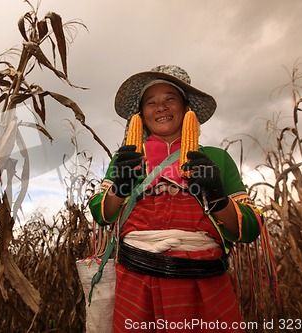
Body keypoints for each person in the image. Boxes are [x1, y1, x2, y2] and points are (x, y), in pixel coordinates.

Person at [89, 65, 263, 332]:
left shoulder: (215, 159)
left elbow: (249, 228)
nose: (161, 107)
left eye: (170, 98)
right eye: (151, 102)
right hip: (137, 282)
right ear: (141, 114)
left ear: (186, 108)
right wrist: (120, 188)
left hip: (202, 286)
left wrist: (217, 196)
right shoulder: (127, 160)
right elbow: (101, 214)